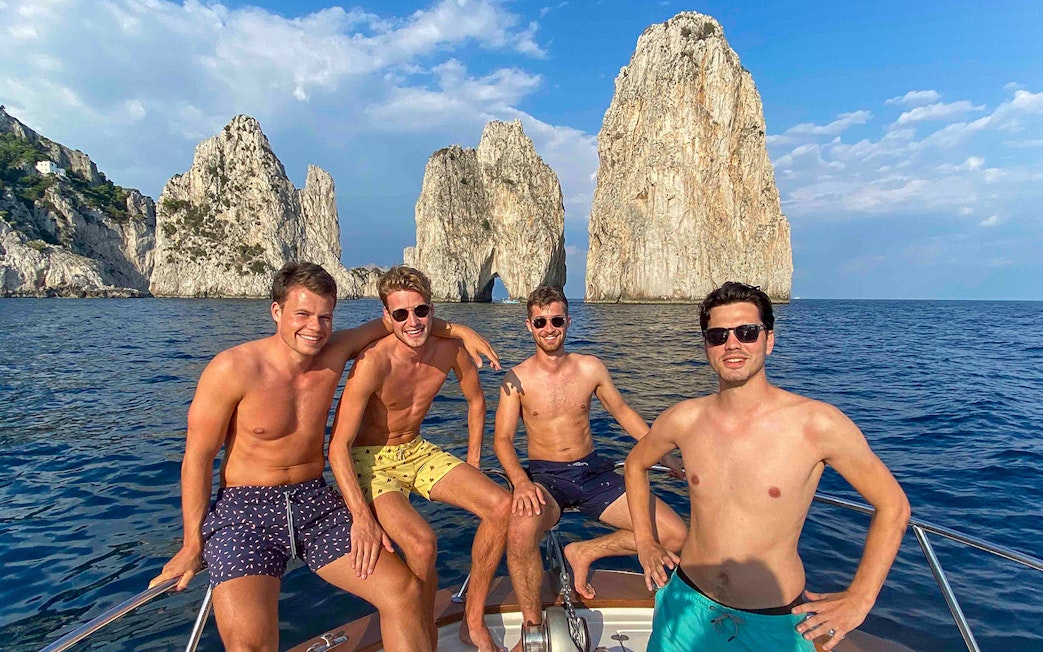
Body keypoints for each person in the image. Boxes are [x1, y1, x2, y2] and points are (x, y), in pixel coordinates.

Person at [149, 261, 498, 652]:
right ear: (277, 311)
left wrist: (460, 330)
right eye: (302, 314)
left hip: (315, 502)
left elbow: (405, 320)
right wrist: (192, 543)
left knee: (403, 592)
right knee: (251, 645)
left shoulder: (334, 354)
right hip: (246, 513)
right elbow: (197, 460)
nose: (314, 327)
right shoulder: (233, 368)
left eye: (324, 317)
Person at [625, 281, 910, 652]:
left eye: (746, 332)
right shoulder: (684, 420)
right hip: (685, 603)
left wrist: (860, 598)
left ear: (768, 339)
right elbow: (635, 465)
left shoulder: (817, 424)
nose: (732, 344)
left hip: (773, 620)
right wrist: (645, 541)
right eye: (718, 335)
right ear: (707, 346)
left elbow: (893, 506)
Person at [328, 265, 512, 652]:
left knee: (501, 506)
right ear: (386, 318)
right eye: (400, 314)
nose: (412, 322)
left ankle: (472, 621)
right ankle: (423, 637)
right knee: (423, 544)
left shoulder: (450, 350)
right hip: (370, 459)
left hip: (416, 448)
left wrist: (474, 461)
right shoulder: (373, 362)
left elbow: (476, 402)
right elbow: (338, 445)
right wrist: (361, 516)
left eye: (420, 311)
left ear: (432, 309)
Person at [493, 285, 688, 643]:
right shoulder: (515, 379)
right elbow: (502, 440)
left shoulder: (591, 368)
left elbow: (624, 413)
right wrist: (521, 482)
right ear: (529, 326)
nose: (549, 328)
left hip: (593, 471)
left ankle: (585, 551)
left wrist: (662, 452)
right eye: (540, 321)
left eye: (556, 320)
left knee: (676, 535)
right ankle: (533, 629)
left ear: (567, 321)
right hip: (546, 479)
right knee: (519, 532)